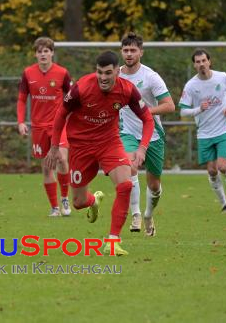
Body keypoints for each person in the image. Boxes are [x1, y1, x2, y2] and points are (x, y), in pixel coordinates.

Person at [45, 51, 154, 256]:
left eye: (108, 73)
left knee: (125, 184)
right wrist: (54, 147)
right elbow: (61, 115)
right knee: (78, 203)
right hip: (81, 147)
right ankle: (93, 201)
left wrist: (142, 148)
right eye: (99, 72)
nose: (103, 77)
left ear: (117, 72)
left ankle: (112, 242)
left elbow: (148, 119)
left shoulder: (127, 90)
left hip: (109, 143)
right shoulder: (82, 88)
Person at [119, 32, 175, 236]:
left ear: (141, 52)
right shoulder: (116, 76)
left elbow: (169, 106)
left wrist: (144, 111)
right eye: (125, 50)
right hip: (127, 132)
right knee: (130, 166)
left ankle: (148, 215)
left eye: (133, 50)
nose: (129, 54)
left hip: (153, 135)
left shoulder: (150, 77)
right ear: (121, 52)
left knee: (154, 185)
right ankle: (135, 214)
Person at [17, 37, 72, 217]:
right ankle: (55, 207)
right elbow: (22, 99)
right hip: (39, 127)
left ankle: (64, 198)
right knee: (47, 167)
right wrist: (21, 122)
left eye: (46, 51)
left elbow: (71, 97)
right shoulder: (28, 73)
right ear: (36, 54)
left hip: (58, 125)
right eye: (40, 51)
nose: (43, 54)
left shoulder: (63, 73)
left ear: (52, 53)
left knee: (62, 158)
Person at [179, 48, 226, 214]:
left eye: (204, 60)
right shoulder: (191, 85)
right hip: (204, 134)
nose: (201, 64)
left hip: (223, 129)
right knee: (212, 170)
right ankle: (224, 204)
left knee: (222, 167)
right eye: (198, 62)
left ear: (209, 61)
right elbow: (183, 111)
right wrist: (199, 109)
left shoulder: (222, 77)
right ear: (194, 65)